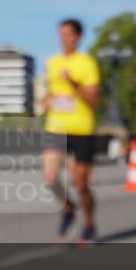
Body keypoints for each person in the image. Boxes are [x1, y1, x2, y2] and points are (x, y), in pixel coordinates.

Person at [42, 18, 101, 246]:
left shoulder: (87, 63)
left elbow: (94, 101)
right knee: (50, 178)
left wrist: (74, 83)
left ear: (78, 37)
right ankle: (68, 208)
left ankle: (89, 225)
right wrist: (47, 101)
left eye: (68, 34)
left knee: (81, 184)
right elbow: (52, 91)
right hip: (56, 127)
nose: (63, 38)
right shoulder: (52, 62)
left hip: (82, 129)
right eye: (61, 34)